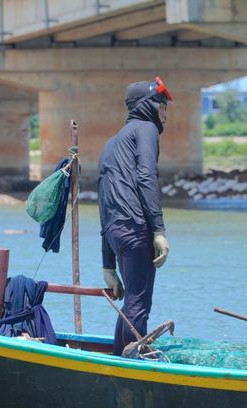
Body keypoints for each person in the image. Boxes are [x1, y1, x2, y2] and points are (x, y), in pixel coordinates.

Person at [97, 76, 173, 356]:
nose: (165, 113)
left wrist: (108, 265)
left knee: (131, 304)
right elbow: (146, 177)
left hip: (116, 233)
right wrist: (159, 230)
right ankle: (130, 367)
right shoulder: (146, 130)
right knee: (139, 304)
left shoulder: (112, 143)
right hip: (136, 229)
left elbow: (104, 200)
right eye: (162, 106)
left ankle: (119, 359)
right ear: (148, 106)